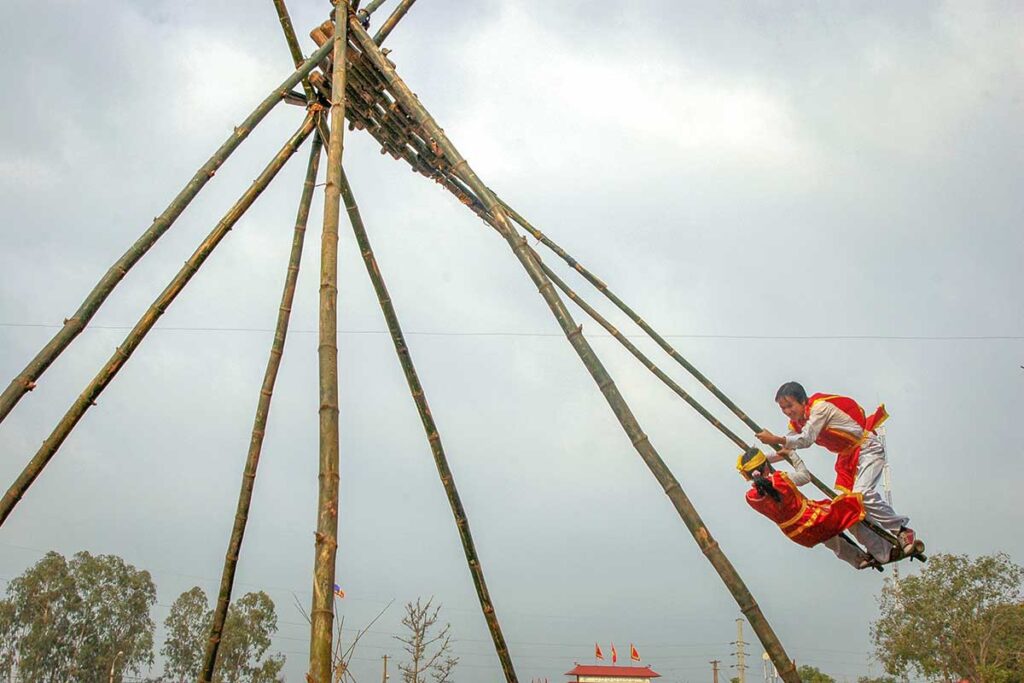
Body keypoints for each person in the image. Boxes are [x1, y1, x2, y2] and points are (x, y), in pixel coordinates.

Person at [755, 381, 916, 564]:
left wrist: (775, 438)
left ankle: (902, 530)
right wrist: (759, 461)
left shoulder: (819, 409)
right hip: (847, 459)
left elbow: (805, 440)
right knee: (845, 509)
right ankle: (882, 552)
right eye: (783, 408)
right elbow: (786, 445)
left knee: (862, 495)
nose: (788, 411)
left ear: (802, 401)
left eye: (790, 406)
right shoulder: (798, 422)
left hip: (866, 449)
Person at [737, 447, 874, 569]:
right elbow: (805, 477)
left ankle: (859, 560)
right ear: (767, 466)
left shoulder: (750, 497)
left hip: (797, 533)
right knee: (850, 508)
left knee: (830, 539)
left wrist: (765, 461)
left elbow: (764, 486)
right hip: (812, 518)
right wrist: (792, 454)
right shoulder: (781, 479)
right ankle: (876, 547)